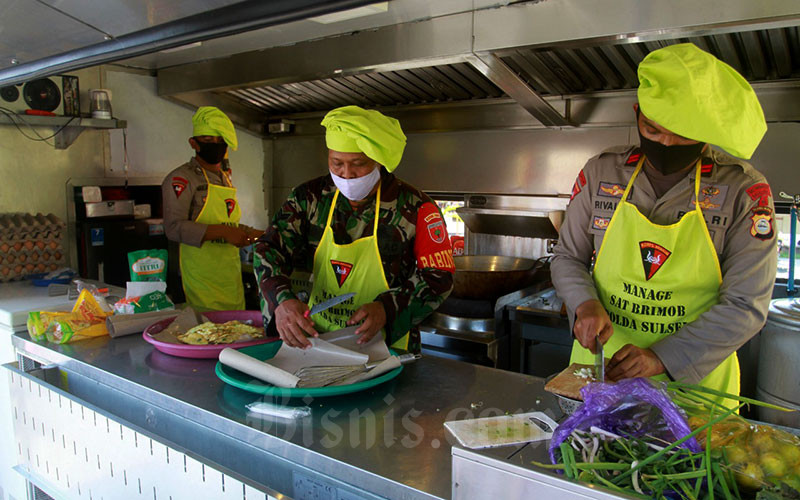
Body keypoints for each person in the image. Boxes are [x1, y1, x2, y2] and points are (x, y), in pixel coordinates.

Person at [551, 43, 776, 406]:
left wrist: (662, 357)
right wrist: (584, 303)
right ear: (638, 113)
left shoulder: (744, 193)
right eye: (652, 130)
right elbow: (566, 257)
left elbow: (746, 305)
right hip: (602, 379)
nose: (667, 143)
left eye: (684, 135)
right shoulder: (601, 172)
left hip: (695, 395)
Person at [254, 105, 455, 352]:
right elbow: (269, 247)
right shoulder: (309, 198)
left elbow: (439, 277)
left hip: (388, 346)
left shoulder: (417, 207)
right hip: (318, 341)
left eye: (359, 163)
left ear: (379, 160)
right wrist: (282, 300)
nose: (346, 174)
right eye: (336, 163)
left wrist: (388, 308)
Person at [162, 106, 263, 312]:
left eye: (220, 142)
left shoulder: (225, 178)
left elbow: (228, 221)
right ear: (193, 143)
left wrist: (255, 234)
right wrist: (225, 233)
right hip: (201, 279)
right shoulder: (181, 179)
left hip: (229, 276)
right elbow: (173, 228)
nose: (215, 146)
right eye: (208, 141)